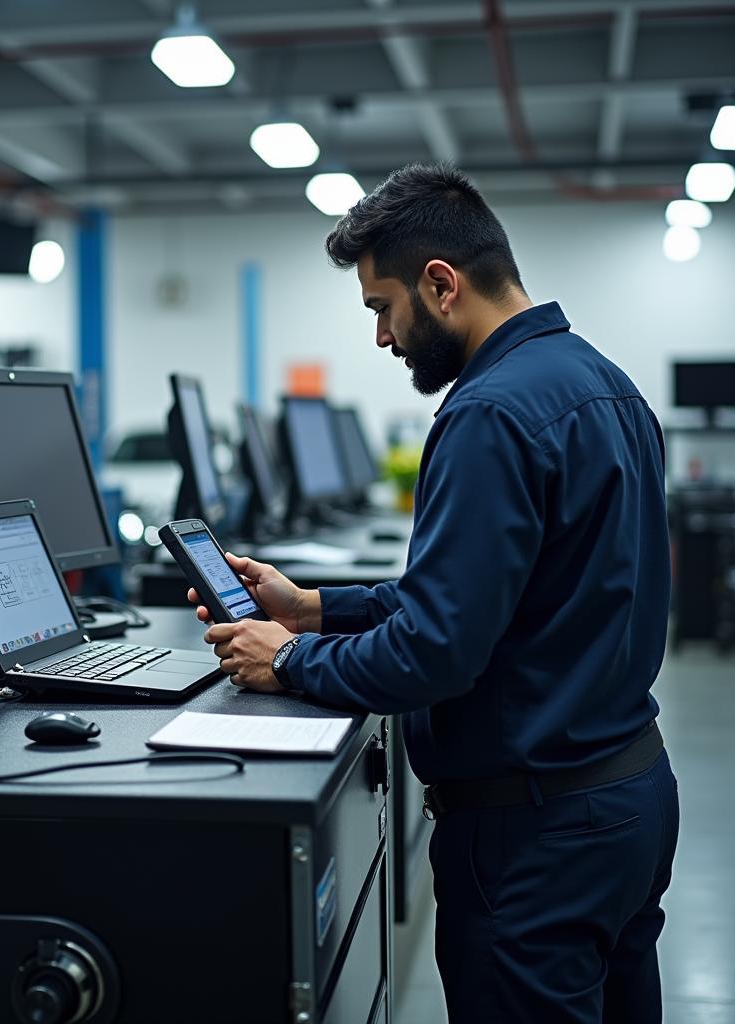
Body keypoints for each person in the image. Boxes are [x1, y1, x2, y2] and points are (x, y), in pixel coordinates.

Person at [189, 163, 679, 1023]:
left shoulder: (487, 412)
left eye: (382, 307)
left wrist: (292, 659)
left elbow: (437, 653)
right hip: (627, 801)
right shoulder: (607, 385)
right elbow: (500, 598)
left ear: (441, 285)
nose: (383, 336)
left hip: (537, 839)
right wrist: (314, 609)